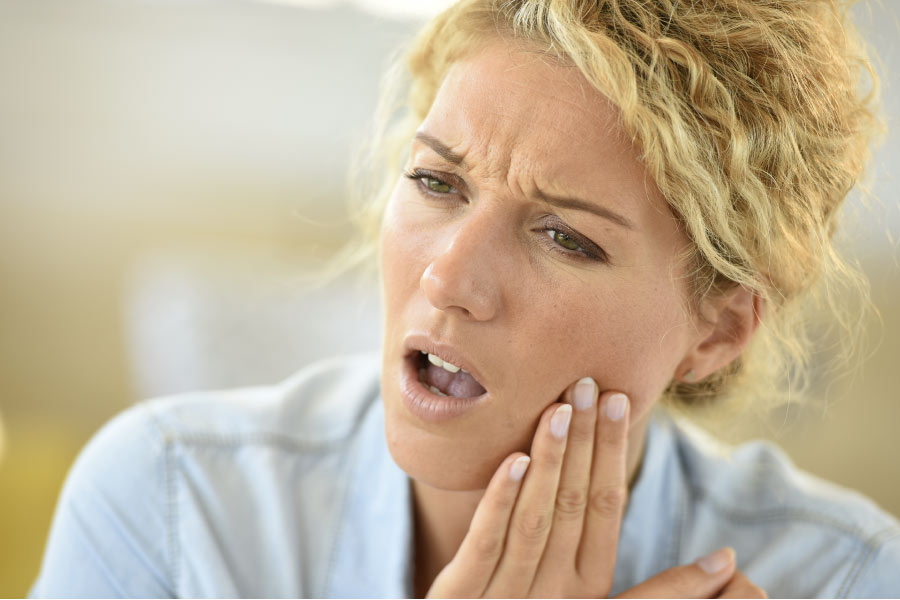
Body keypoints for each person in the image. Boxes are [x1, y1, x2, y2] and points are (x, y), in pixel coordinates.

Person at [30, 0, 899, 597]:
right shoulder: (169, 504)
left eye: (566, 237)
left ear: (716, 332)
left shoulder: (845, 578)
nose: (447, 278)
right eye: (437, 182)